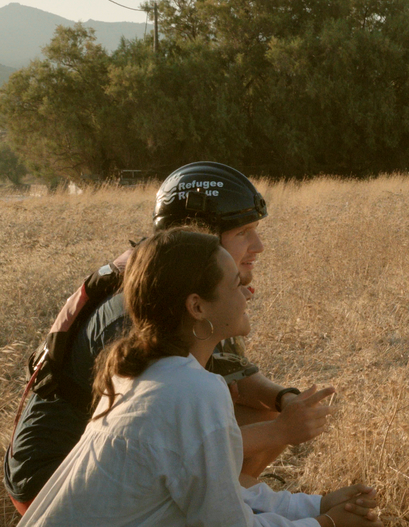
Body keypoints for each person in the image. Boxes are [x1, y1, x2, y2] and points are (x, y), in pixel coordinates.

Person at [6, 162, 331, 513]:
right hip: (52, 479)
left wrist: (283, 400)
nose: (259, 245)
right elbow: (165, 439)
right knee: (248, 429)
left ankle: (223, 498)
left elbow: (234, 371)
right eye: (243, 233)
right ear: (198, 232)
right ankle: (202, 507)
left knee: (260, 411)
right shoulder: (138, 309)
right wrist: (282, 433)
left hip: (111, 457)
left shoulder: (181, 286)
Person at [19, 228, 380, 526]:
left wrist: (317, 506)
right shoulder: (191, 390)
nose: (248, 294)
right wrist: (328, 524)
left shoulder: (143, 371)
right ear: (197, 307)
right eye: (236, 283)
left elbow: (228, 488)